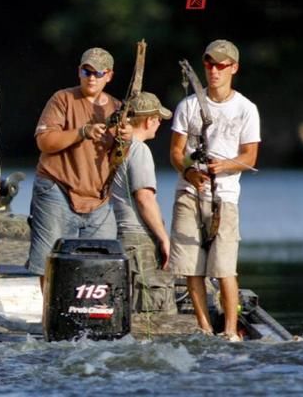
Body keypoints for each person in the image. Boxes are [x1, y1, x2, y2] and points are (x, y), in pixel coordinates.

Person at [168, 39, 260, 341]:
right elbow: (175, 152)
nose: (214, 70)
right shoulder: (188, 105)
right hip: (188, 193)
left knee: (224, 268)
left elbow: (250, 157)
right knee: (191, 267)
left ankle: (231, 331)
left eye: (221, 65)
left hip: (226, 197)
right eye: (209, 64)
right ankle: (205, 328)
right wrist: (189, 171)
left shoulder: (246, 109)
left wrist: (225, 166)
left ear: (233, 68)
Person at [26, 47, 131, 287]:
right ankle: (52, 320)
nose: (92, 77)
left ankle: (87, 318)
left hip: (99, 199)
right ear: (79, 71)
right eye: (87, 71)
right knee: (51, 262)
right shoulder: (62, 99)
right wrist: (82, 132)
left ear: (109, 76)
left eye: (98, 72)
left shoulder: (117, 108)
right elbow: (44, 141)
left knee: (99, 265)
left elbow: (118, 159)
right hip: (56, 189)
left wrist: (126, 139)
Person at [111, 92, 177, 314]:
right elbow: (144, 198)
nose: (159, 124)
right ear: (149, 120)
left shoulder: (116, 148)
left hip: (120, 237)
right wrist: (163, 238)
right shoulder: (140, 151)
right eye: (158, 119)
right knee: (149, 308)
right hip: (138, 239)